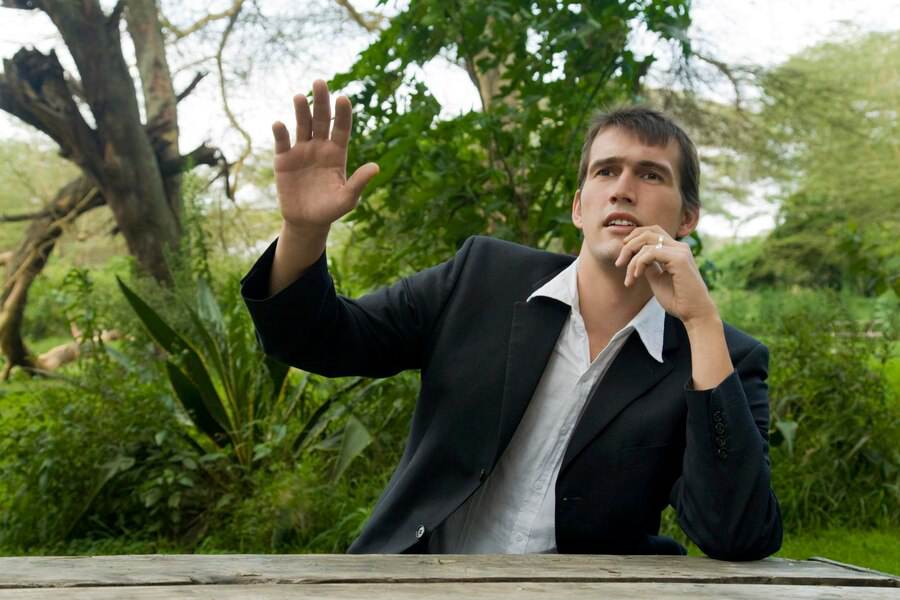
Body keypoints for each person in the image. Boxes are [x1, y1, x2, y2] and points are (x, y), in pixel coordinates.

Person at [241, 80, 783, 559]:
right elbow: (317, 340)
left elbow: (736, 532)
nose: (623, 188)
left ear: (687, 217)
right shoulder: (483, 278)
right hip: (419, 581)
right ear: (578, 206)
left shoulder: (720, 358)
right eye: (606, 171)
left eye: (650, 175)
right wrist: (304, 232)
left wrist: (702, 322)